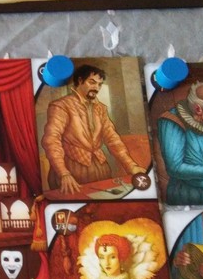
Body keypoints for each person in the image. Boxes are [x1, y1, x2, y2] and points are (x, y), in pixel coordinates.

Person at [41, 65, 146, 194]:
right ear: (80, 81)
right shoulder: (61, 106)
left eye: (99, 84)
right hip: (71, 171)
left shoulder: (100, 108)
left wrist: (131, 166)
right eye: (92, 82)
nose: (96, 88)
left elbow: (112, 139)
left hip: (101, 169)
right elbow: (51, 140)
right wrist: (63, 173)